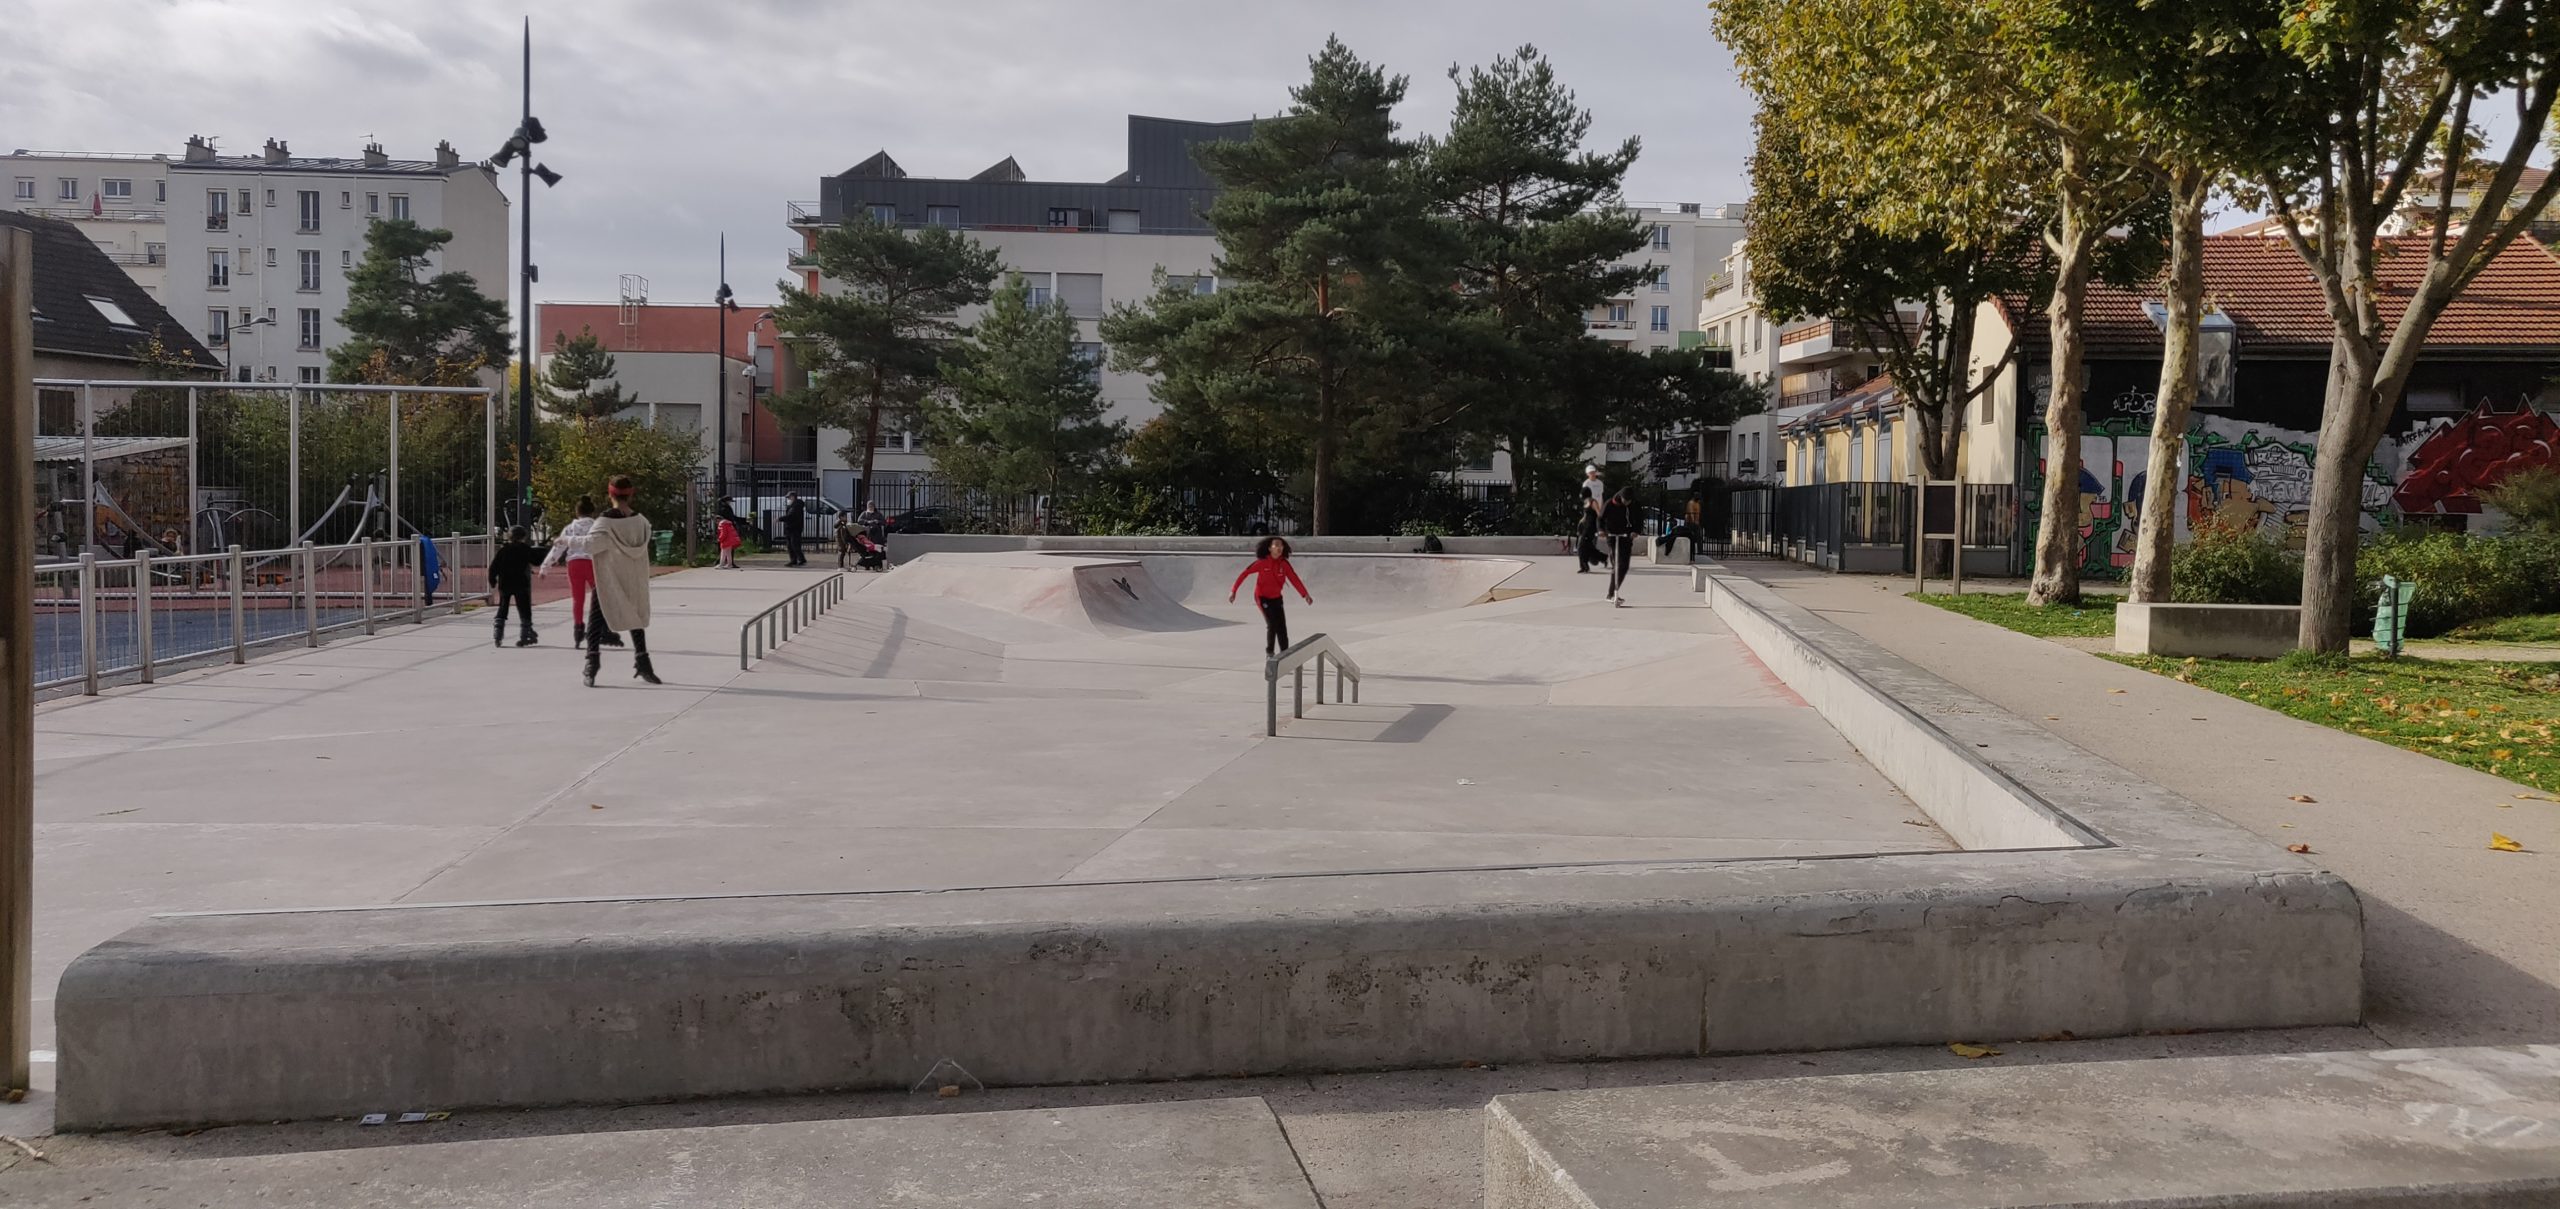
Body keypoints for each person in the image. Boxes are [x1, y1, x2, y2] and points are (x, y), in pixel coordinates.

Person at [584, 475, 661, 687]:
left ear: (610, 494)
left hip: (611, 578)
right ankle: (643, 662)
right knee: (634, 619)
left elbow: (591, 546)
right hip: (633, 578)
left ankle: (592, 663)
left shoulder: (604, 522)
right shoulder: (641, 522)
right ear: (631, 494)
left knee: (596, 621)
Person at [542, 496, 619, 648]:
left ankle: (578, 630)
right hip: (592, 563)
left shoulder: (569, 528)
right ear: (592, 512)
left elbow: (558, 548)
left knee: (578, 599)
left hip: (574, 564)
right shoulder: (597, 527)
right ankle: (601, 629)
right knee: (600, 598)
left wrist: (545, 567)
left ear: (577, 512)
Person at [1229, 536, 1314, 657]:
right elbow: (1245, 573)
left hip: (1276, 598)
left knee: (1282, 627)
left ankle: (1285, 654)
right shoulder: (1262, 562)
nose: (1279, 548)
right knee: (1272, 624)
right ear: (1270, 548)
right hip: (1262, 597)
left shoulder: (1284, 564)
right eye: (1276, 545)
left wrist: (1305, 594)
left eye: (1281, 545)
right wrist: (1233, 591)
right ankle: (1270, 652)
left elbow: (1294, 579)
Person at [488, 525, 542, 647]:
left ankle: (498, 634)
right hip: (520, 583)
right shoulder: (525, 549)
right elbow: (536, 561)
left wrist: (492, 580)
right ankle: (525, 633)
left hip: (505, 583)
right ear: (524, 537)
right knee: (524, 609)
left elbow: (494, 567)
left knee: (503, 607)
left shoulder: (503, 550)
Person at [1600, 487, 1637, 607]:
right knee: (1617, 564)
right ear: (1621, 497)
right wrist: (1601, 530)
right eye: (1626, 500)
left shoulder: (1633, 505)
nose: (1628, 503)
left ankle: (1614, 592)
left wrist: (1635, 531)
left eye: (1629, 501)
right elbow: (1600, 519)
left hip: (1626, 537)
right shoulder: (1609, 504)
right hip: (1612, 536)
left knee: (1624, 566)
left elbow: (1638, 518)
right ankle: (1611, 594)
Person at [1575, 465, 1606, 573]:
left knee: (1581, 546)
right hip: (1586, 524)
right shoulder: (1586, 501)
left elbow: (1598, 514)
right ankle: (1602, 558)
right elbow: (1585, 514)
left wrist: (1601, 527)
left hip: (1591, 525)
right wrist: (1581, 521)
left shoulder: (1593, 502)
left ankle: (1585, 566)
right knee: (1587, 546)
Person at [782, 491, 807, 567]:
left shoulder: (796, 506)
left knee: (794, 544)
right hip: (791, 528)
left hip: (794, 528)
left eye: (789, 497)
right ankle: (794, 560)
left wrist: (780, 519)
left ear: (793, 497)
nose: (788, 499)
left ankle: (800, 559)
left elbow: (791, 516)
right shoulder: (793, 506)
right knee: (791, 545)